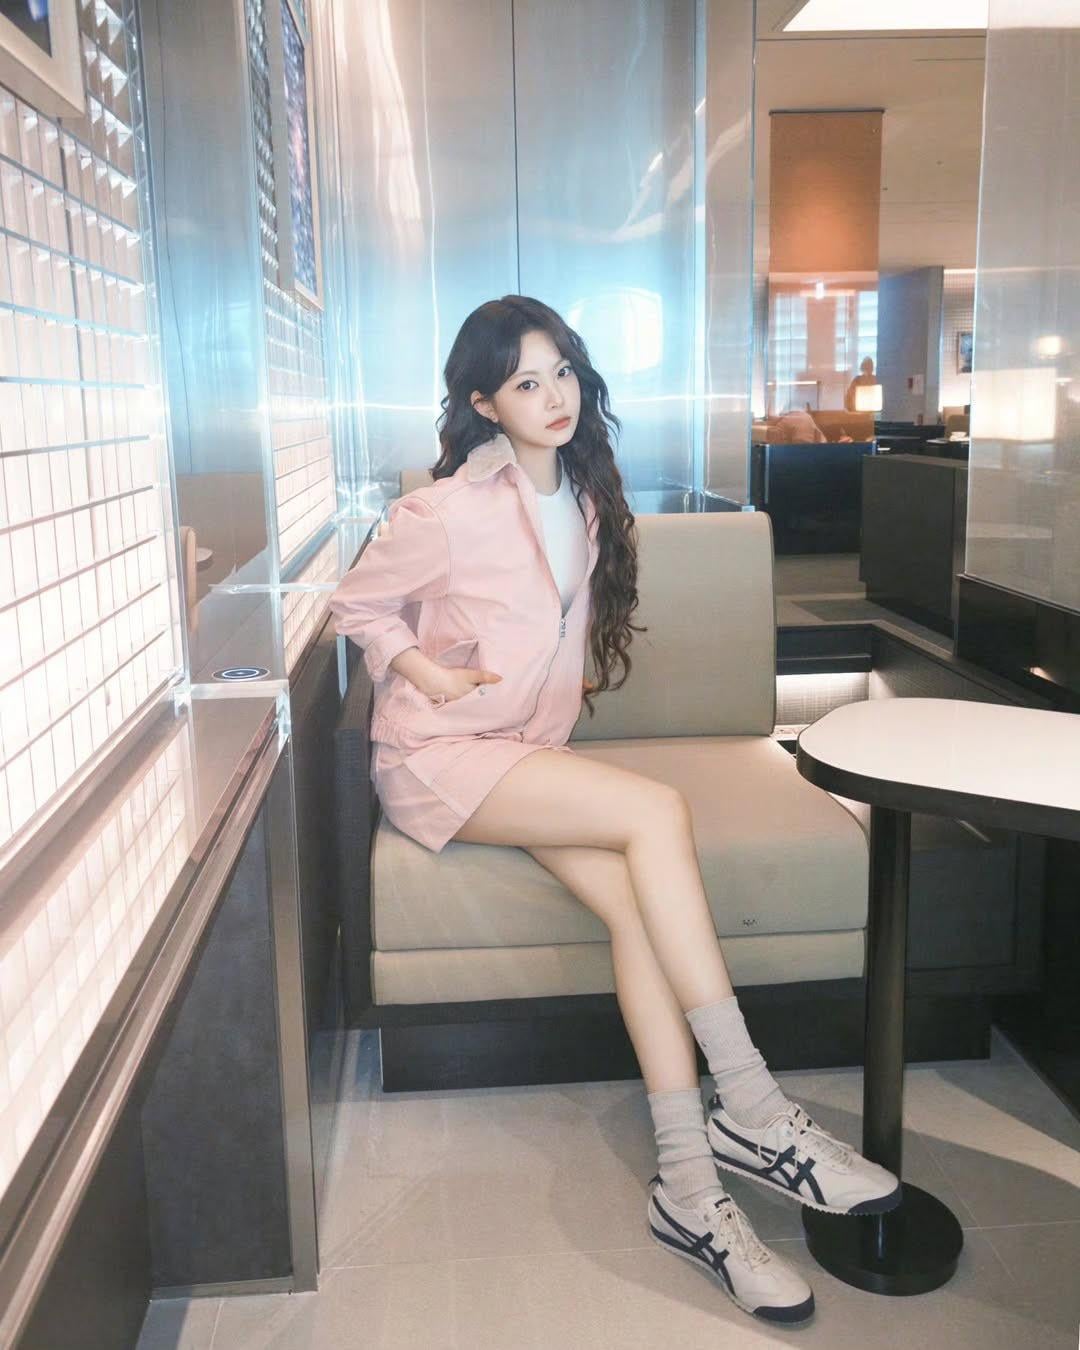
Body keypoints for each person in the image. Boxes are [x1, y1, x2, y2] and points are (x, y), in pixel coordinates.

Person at [329, 295, 899, 1328]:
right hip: (438, 756)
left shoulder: (586, 498)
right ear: (484, 403)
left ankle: (689, 1185)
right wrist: (426, 670)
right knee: (654, 813)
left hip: (524, 752)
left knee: (637, 909)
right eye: (525, 382)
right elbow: (356, 603)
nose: (554, 396)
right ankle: (753, 1103)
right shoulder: (442, 511)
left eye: (562, 372)